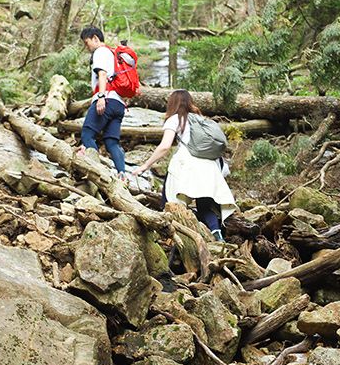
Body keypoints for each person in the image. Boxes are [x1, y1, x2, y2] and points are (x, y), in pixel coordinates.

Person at [130, 90, 237, 241]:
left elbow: (164, 146)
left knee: (170, 199)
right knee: (205, 202)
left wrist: (145, 166)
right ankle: (216, 233)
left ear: (172, 103)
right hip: (209, 165)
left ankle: (172, 237)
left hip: (186, 163)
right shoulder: (200, 119)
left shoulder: (175, 119)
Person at [78, 26, 127, 176]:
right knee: (112, 142)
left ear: (95, 38)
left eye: (87, 43)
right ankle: (122, 175)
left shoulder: (100, 51)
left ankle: (97, 173)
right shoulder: (113, 53)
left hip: (106, 99)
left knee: (87, 134)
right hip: (118, 103)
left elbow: (102, 74)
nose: (87, 47)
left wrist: (101, 97)